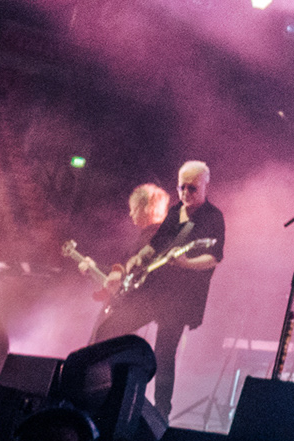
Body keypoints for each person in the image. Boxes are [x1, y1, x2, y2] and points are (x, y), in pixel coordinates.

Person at [90, 161, 223, 419]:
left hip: (180, 299)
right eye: (182, 187)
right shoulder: (175, 212)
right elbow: (156, 243)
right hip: (154, 293)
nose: (186, 193)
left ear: (205, 185)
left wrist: (186, 263)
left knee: (164, 353)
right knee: (108, 331)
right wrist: (139, 257)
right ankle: (105, 391)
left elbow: (214, 257)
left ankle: (161, 413)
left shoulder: (213, 218)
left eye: (192, 188)